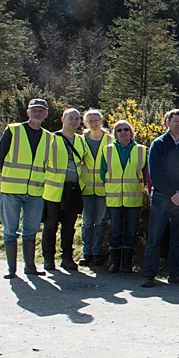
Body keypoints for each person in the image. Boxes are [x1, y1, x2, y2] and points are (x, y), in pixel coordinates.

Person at [140, 109, 179, 288]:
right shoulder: (158, 144)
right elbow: (155, 173)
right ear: (167, 123)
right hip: (161, 198)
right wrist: (171, 194)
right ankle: (148, 275)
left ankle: (176, 274)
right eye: (176, 121)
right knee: (155, 237)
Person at [0, 98, 52, 278]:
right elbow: (0, 156)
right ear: (28, 112)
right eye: (34, 110)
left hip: (35, 191)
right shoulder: (13, 130)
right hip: (12, 189)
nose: (38, 113)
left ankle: (30, 267)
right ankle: (11, 269)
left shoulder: (48, 137)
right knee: (10, 230)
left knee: (31, 230)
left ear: (46, 114)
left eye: (41, 110)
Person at [42, 107, 89, 271]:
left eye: (77, 119)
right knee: (51, 226)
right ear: (63, 119)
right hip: (54, 190)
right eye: (71, 118)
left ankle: (67, 258)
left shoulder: (81, 140)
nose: (74, 121)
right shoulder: (51, 139)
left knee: (69, 226)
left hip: (73, 190)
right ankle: (48, 259)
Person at [101, 120, 147, 274]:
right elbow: (102, 173)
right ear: (115, 133)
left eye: (126, 129)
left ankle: (127, 263)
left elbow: (146, 173)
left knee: (131, 230)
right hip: (114, 198)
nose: (123, 132)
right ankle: (114, 262)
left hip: (133, 197)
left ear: (131, 131)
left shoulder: (141, 150)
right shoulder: (107, 150)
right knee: (115, 230)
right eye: (119, 130)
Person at [78, 109, 112, 268]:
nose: (94, 123)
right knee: (86, 223)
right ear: (85, 123)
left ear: (102, 120)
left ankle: (97, 253)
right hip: (85, 189)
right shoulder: (80, 140)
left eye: (97, 119)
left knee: (99, 222)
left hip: (103, 189)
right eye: (90, 120)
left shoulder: (110, 140)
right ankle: (87, 253)